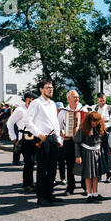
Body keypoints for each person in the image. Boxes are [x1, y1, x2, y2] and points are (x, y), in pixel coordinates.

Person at [23, 79, 63, 207]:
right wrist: (38, 133)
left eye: (51, 87)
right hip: (42, 138)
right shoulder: (36, 103)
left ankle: (49, 194)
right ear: (41, 89)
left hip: (53, 139)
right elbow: (27, 121)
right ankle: (41, 197)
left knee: (52, 169)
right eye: (47, 87)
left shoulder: (52, 104)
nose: (51, 89)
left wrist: (59, 139)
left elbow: (55, 122)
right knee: (42, 169)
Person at [7, 92, 38, 192]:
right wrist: (13, 137)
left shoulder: (34, 109)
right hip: (24, 137)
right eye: (33, 99)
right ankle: (27, 184)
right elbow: (10, 123)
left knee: (33, 161)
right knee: (28, 161)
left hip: (35, 137)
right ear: (28, 99)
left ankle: (32, 183)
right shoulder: (20, 110)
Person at [74, 111, 107, 203]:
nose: (95, 123)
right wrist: (78, 156)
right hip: (87, 152)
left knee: (96, 175)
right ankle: (89, 194)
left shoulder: (100, 128)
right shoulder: (83, 129)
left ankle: (95, 194)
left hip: (97, 152)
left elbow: (104, 141)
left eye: (97, 121)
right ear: (89, 120)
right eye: (93, 121)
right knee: (88, 175)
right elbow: (77, 143)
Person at [58, 90, 84, 196]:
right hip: (69, 141)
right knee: (69, 165)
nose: (77, 99)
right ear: (68, 98)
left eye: (78, 97)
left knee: (84, 164)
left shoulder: (84, 110)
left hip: (82, 141)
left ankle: (85, 185)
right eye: (74, 97)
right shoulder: (63, 112)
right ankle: (70, 187)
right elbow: (58, 127)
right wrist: (63, 135)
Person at [94, 93, 111, 183]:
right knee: (98, 154)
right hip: (97, 133)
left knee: (107, 154)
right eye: (100, 100)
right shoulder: (95, 108)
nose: (102, 102)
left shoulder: (109, 108)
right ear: (98, 100)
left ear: (105, 99)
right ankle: (99, 174)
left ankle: (109, 174)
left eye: (103, 100)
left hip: (106, 132)